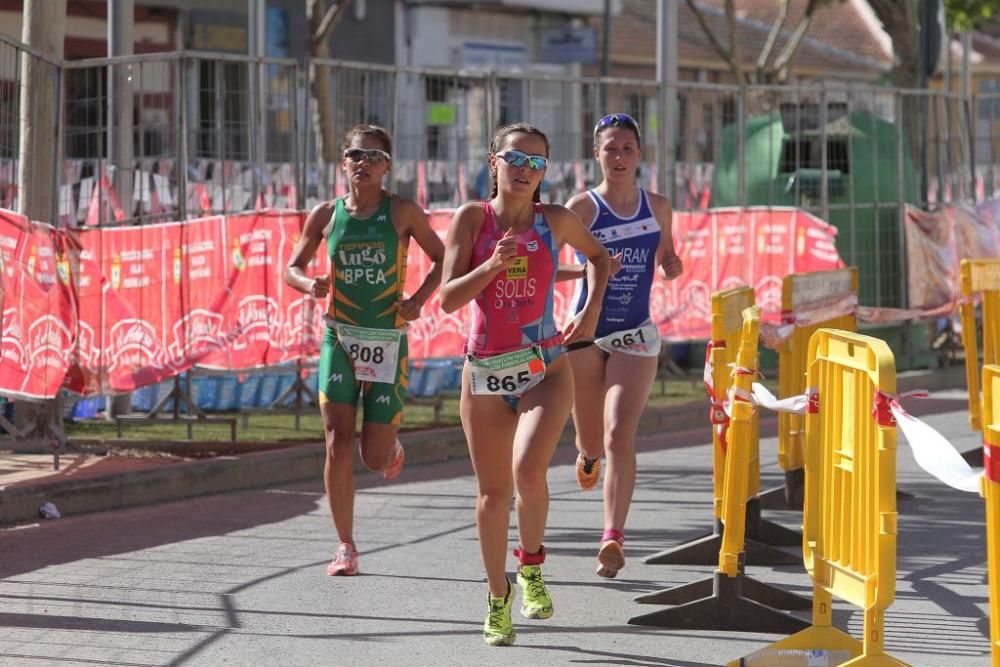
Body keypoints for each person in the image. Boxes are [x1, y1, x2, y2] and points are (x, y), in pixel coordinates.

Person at [439, 123, 609, 646]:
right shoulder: (472, 219)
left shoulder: (555, 221)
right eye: (516, 159)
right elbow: (447, 299)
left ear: (544, 173)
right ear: (495, 161)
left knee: (527, 473)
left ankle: (532, 568)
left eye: (537, 163)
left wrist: (591, 310)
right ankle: (497, 598)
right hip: (485, 371)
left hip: (545, 368)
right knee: (493, 495)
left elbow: (600, 258)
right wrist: (491, 265)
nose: (525, 170)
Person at [285, 124, 444, 577]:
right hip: (340, 336)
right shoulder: (326, 215)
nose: (364, 163)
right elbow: (292, 267)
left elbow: (443, 257)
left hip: (388, 339)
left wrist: (416, 301)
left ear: (387, 165)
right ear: (343, 162)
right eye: (356, 154)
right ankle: (345, 546)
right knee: (336, 440)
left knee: (373, 459)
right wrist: (307, 283)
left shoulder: (403, 212)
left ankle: (389, 449)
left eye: (374, 156)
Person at [562, 113, 683, 578]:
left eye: (627, 148)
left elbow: (667, 257)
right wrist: (594, 269)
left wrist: (671, 265)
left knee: (619, 434)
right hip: (587, 335)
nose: (618, 157)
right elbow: (548, 269)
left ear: (639, 155)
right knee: (593, 440)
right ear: (597, 154)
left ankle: (612, 536)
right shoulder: (582, 209)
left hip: (635, 333)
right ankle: (587, 456)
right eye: (610, 148)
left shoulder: (659, 207)